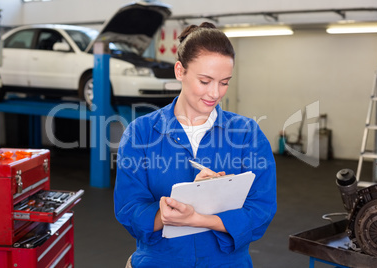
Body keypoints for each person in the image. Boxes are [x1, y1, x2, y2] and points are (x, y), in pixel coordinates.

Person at [114, 22, 277, 268]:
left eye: (224, 82)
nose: (215, 93)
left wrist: (200, 218)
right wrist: (162, 217)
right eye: (205, 80)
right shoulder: (141, 133)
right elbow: (129, 208)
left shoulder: (247, 135)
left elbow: (261, 209)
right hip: (160, 261)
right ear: (180, 71)